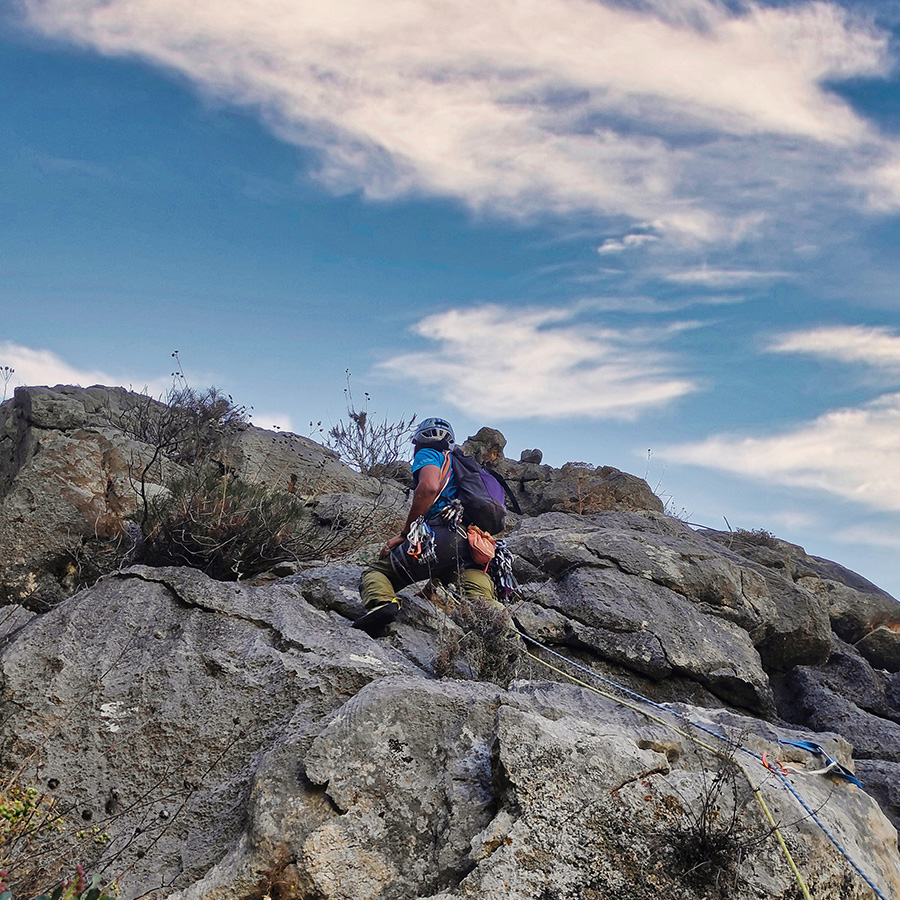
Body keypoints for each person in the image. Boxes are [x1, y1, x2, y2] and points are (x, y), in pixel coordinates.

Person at [352, 416, 497, 636]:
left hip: (440, 532)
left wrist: (406, 533)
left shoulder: (429, 453)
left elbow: (429, 487)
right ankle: (506, 630)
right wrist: (428, 591)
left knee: (377, 573)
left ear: (418, 440)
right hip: (470, 543)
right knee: (480, 599)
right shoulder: (462, 467)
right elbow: (441, 568)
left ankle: (382, 603)